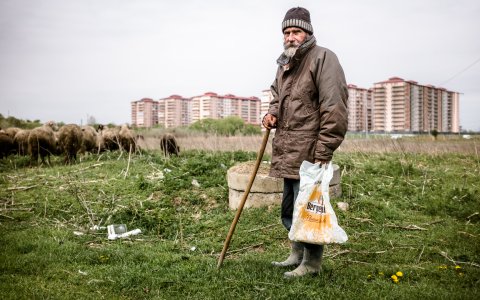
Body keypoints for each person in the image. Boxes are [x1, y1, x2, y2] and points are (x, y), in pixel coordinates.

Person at [262, 7, 348, 278]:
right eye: (286, 32)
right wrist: (272, 112)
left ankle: (312, 263)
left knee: (310, 208)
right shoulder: (285, 63)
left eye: (296, 31)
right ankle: (296, 254)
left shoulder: (323, 58)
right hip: (288, 149)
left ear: (308, 33)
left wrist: (324, 149)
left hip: (311, 151)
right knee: (291, 207)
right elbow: (277, 95)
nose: (290, 37)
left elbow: (334, 107)